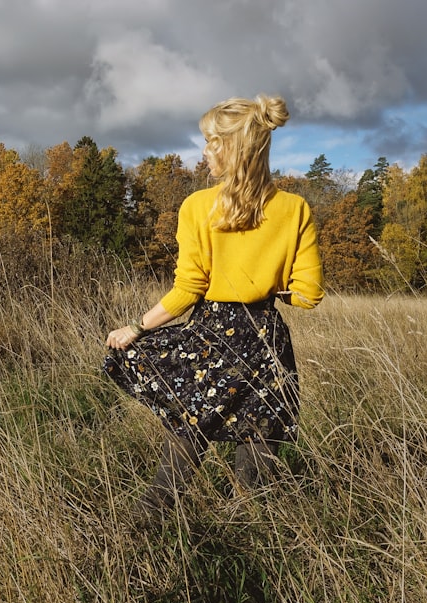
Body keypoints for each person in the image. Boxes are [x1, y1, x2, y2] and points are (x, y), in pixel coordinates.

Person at [103, 94, 323, 518]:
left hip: (212, 335)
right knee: (259, 442)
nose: (204, 152)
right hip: (264, 338)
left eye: (211, 142)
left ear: (235, 147)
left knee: (189, 430)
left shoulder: (197, 207)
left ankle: (143, 528)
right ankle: (258, 536)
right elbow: (308, 295)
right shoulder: (295, 209)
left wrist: (136, 327)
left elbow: (188, 289)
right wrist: (268, 287)